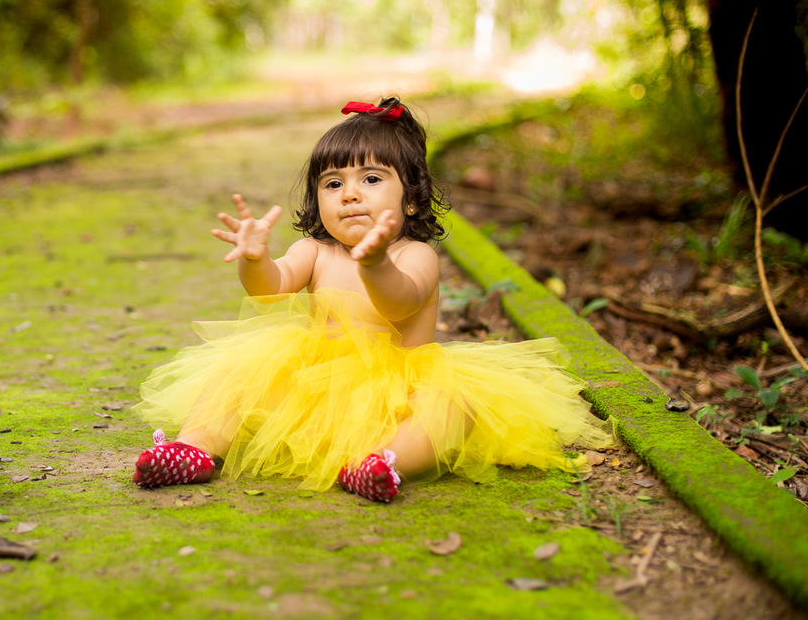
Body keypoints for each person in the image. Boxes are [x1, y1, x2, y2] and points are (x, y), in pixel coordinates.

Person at [131, 97, 613, 502]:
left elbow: (400, 303)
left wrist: (375, 261)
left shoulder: (416, 255)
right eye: (333, 183)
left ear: (410, 199)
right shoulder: (315, 250)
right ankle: (193, 449)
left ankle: (384, 462)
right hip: (316, 387)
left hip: (402, 389)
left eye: (371, 179)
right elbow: (270, 288)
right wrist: (254, 259)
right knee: (235, 377)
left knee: (452, 407)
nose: (350, 195)